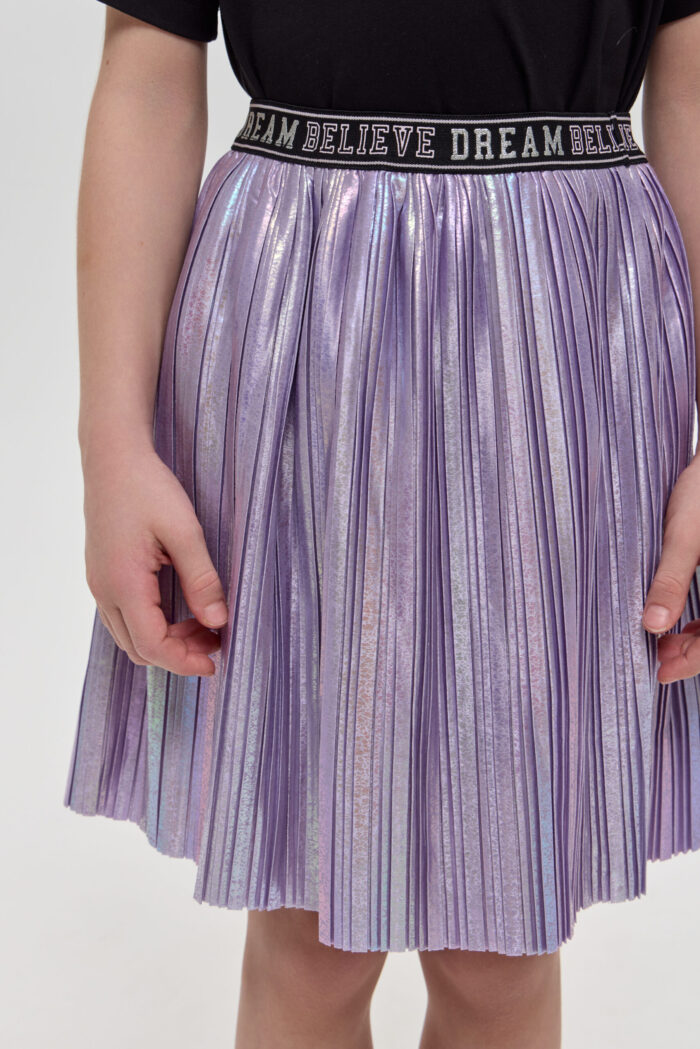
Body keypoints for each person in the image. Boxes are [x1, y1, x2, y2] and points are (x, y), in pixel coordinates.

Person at [64, 3, 700, 1047]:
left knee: (502, 943)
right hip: (300, 304)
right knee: (307, 930)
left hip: (563, 322)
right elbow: (147, 68)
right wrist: (111, 441)